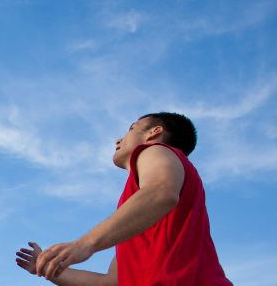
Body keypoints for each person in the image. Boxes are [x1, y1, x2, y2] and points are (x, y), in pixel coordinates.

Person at [16, 112, 232, 285]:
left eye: (131, 128)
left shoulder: (156, 150)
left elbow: (161, 191)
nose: (119, 139)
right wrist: (49, 269)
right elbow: (113, 281)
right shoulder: (135, 214)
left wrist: (85, 243)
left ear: (154, 133)